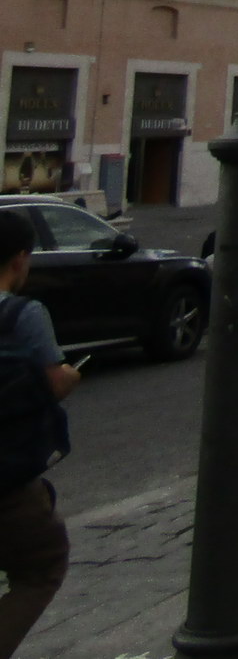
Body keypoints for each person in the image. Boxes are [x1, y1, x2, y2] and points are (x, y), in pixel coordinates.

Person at [0, 211, 79, 659]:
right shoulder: (22, 315)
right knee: (42, 567)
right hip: (7, 481)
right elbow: (54, 383)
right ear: (19, 260)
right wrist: (72, 375)